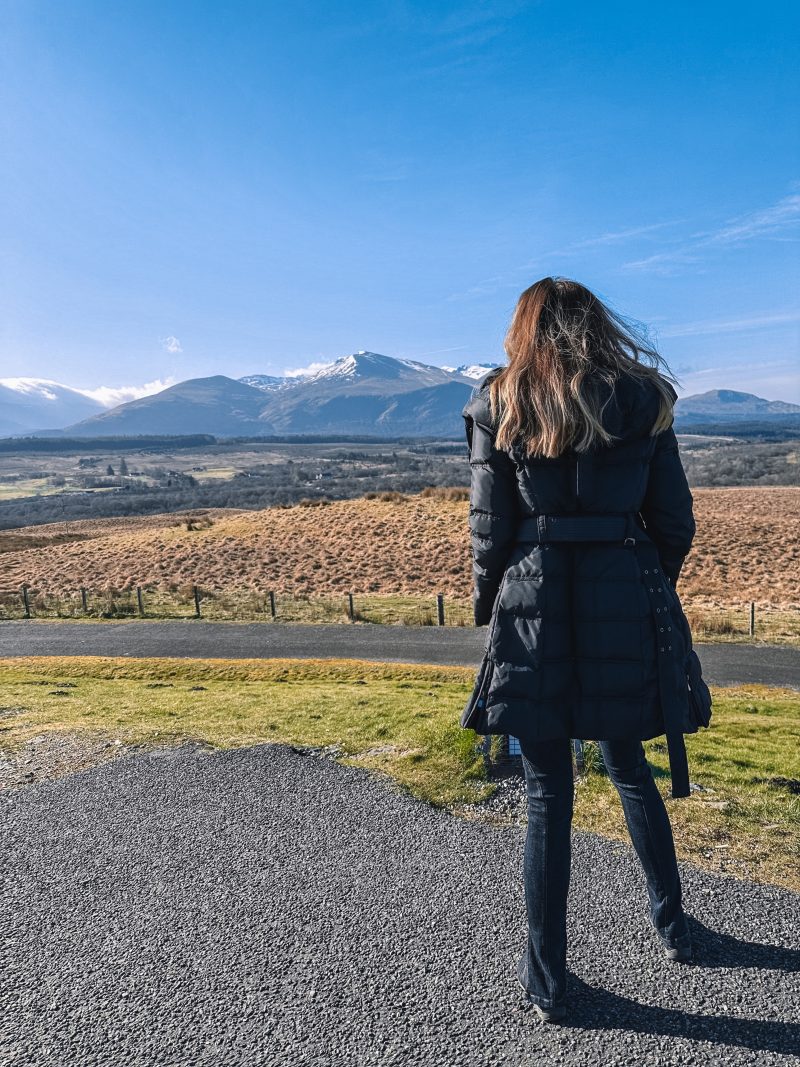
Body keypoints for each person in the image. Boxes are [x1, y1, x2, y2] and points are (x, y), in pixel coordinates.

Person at [462, 276, 701, 1024]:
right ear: (598, 324)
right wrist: (638, 578)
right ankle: (674, 925)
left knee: (545, 793)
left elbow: (488, 527)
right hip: (624, 598)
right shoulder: (644, 398)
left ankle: (549, 982)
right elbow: (675, 521)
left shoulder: (498, 401)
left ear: (524, 327)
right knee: (629, 764)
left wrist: (489, 605)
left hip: (533, 608)